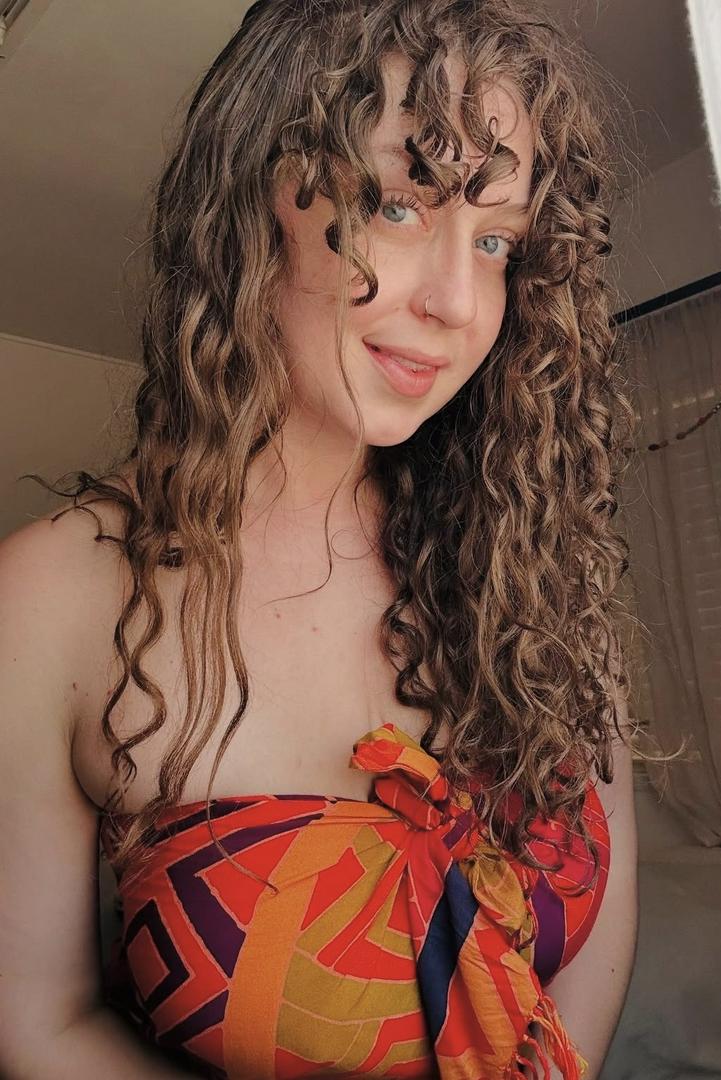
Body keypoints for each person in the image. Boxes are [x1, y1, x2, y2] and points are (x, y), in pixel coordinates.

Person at [0, 1, 646, 1076]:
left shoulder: (538, 576)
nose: (460, 303)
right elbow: (37, 1020)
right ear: (255, 200)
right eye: (400, 204)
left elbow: (591, 960)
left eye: (496, 241)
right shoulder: (48, 600)